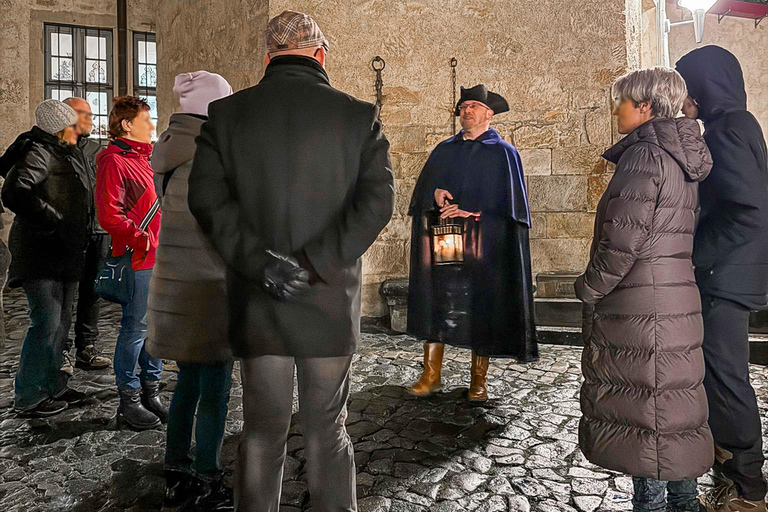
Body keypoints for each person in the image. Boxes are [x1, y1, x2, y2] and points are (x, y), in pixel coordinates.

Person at [188, 11, 394, 511]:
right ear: (320, 54)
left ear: (267, 57)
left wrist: (263, 265)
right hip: (326, 299)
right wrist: (315, 262)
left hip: (259, 302)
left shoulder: (227, 115)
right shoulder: (357, 115)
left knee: (262, 432)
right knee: (327, 430)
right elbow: (376, 204)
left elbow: (208, 202)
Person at [575, 67, 714, 512]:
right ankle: (685, 504)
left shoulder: (645, 156)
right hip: (675, 300)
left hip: (641, 306)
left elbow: (622, 241)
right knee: (670, 414)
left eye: (623, 101)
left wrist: (589, 287)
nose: (617, 109)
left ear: (647, 106)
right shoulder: (679, 156)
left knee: (646, 422)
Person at [676, 46, 768, 512]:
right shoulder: (737, 123)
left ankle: (748, 488)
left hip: (723, 272)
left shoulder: (728, 129)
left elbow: (745, 208)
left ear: (704, 88)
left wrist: (698, 256)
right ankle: (732, 471)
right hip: (729, 270)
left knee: (727, 377)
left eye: (688, 91)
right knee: (719, 374)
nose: (684, 102)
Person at [406, 84, 538, 402]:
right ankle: (431, 375)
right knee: (438, 302)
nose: (467, 110)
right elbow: (424, 192)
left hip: (485, 246)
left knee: (482, 306)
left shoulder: (504, 154)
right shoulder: (444, 150)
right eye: (464, 106)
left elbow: (512, 208)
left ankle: (478, 380)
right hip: (445, 242)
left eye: (474, 105)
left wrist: (473, 210)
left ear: (489, 114)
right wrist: (435, 193)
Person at [146, 71, 234, 510]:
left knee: (187, 385)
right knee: (215, 387)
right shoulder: (209, 154)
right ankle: (208, 475)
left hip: (175, 288)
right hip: (207, 287)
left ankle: (175, 468)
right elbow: (220, 224)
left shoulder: (170, 146)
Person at [1, 99, 89, 416]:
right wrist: (54, 219)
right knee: (46, 324)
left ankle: (54, 386)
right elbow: (14, 192)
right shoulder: (39, 151)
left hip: (63, 250)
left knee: (60, 323)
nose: (78, 127)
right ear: (59, 126)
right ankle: (28, 395)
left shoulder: (63, 150)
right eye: (73, 123)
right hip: (41, 252)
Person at [96, 96, 166, 430]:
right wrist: (140, 237)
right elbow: (109, 213)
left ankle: (152, 391)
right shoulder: (114, 161)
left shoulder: (150, 160)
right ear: (127, 124)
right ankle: (129, 398)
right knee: (136, 328)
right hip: (139, 259)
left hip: (161, 257)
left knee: (156, 328)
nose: (152, 126)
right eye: (146, 120)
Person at [61, 97, 111, 371]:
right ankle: (61, 351)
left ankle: (87, 347)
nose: (91, 119)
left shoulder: (96, 149)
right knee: (65, 295)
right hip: (71, 232)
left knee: (93, 291)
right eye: (85, 114)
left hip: (99, 231)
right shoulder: (56, 147)